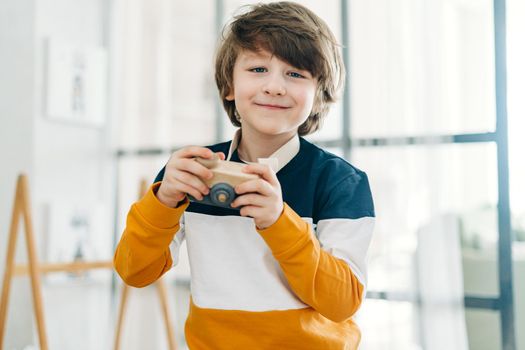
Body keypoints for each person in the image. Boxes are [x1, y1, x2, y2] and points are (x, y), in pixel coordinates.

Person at [114, 2, 375, 349]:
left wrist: (279, 222)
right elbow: (134, 271)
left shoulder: (341, 182)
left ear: (317, 94)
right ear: (229, 86)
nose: (275, 86)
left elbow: (343, 302)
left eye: (295, 74)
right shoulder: (192, 172)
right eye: (257, 69)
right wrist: (162, 201)